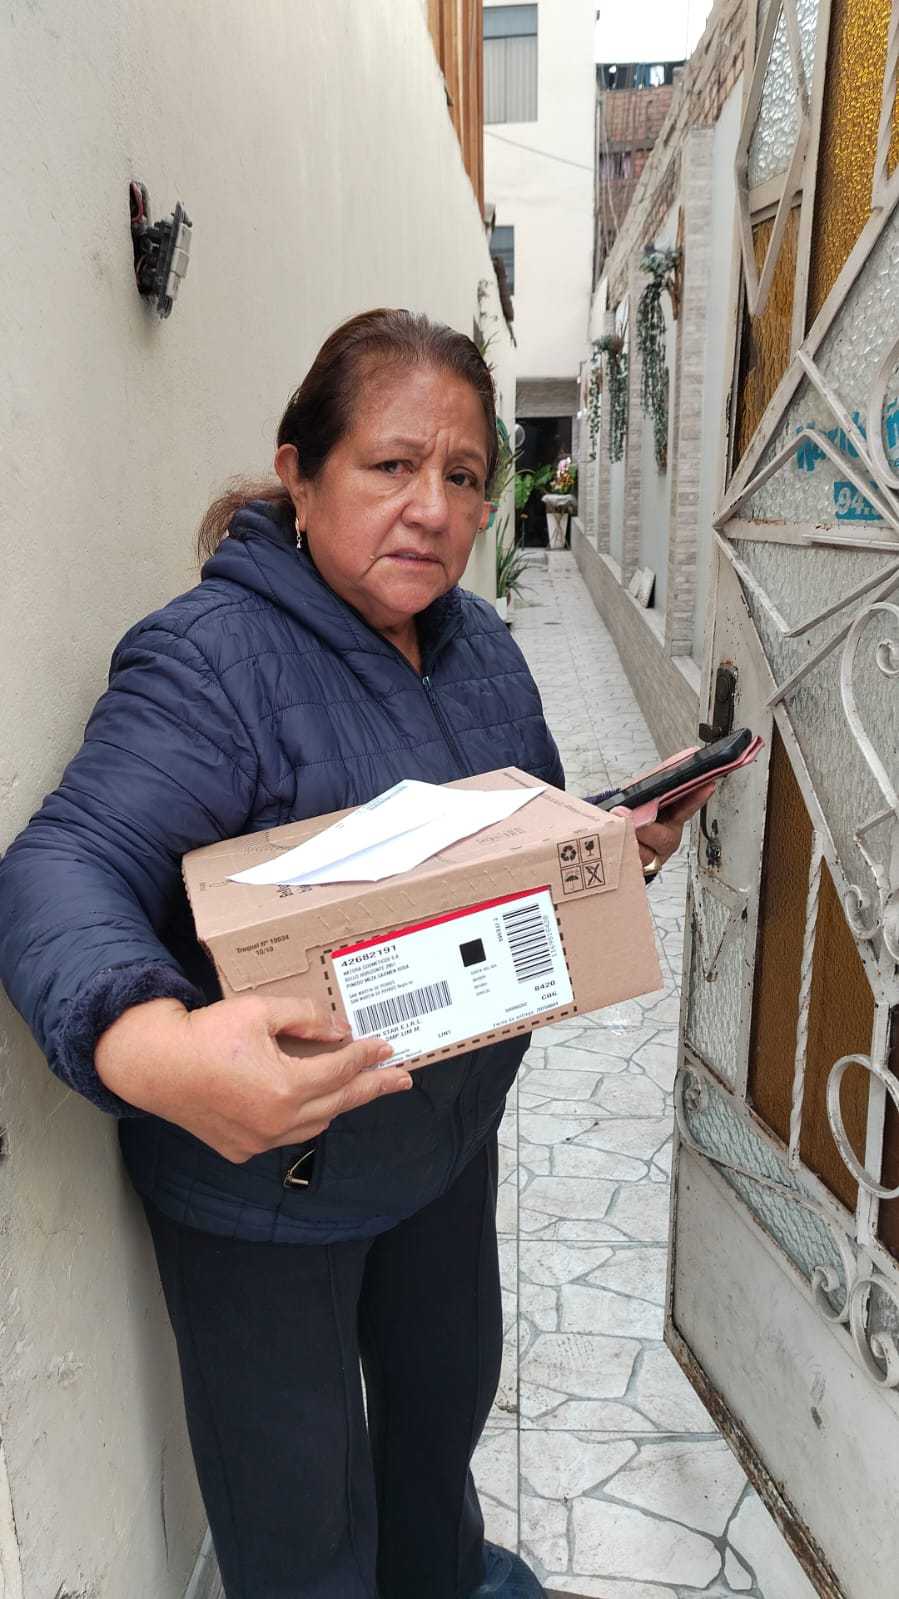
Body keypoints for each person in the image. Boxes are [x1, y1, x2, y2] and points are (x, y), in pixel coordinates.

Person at [0, 309, 708, 1599]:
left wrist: (617, 845)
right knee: (302, 1517)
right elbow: (61, 868)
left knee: (441, 1425)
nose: (432, 509)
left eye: (464, 476)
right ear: (300, 472)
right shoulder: (212, 663)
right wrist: (156, 1050)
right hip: (272, 1188)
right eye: (392, 465)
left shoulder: (481, 647)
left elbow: (515, 844)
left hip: (443, 1137)